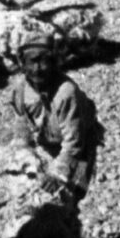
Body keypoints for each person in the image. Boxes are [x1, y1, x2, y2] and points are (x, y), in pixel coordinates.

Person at [9, 34, 101, 211]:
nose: (38, 68)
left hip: (80, 150)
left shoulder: (66, 93)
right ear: (23, 64)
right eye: (32, 61)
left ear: (54, 63)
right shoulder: (20, 90)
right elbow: (21, 124)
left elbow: (74, 143)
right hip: (45, 143)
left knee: (69, 197)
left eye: (45, 61)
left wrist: (58, 174)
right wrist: (22, 153)